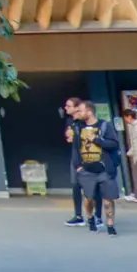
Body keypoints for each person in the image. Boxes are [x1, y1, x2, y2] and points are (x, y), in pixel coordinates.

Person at [72, 100, 122, 235]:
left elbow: (114, 144)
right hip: (86, 170)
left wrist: (96, 140)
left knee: (108, 198)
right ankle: (90, 218)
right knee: (88, 198)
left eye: (80, 110)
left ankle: (110, 225)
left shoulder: (105, 126)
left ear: (89, 111)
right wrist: (77, 166)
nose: (78, 113)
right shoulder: (78, 128)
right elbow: (76, 148)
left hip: (104, 169)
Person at [61, 97, 88, 226]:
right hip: (75, 156)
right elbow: (68, 138)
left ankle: (95, 216)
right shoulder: (69, 121)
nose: (66, 108)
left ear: (77, 107)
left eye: (69, 106)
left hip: (88, 156)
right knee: (75, 186)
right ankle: (78, 215)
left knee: (90, 186)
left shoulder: (84, 122)